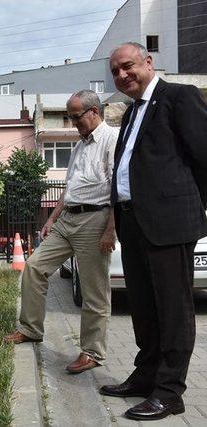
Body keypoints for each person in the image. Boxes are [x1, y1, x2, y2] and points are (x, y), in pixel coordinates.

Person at [99, 42, 207, 421]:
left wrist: (197, 209)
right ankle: (145, 376)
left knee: (173, 309)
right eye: (115, 71)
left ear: (148, 62)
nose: (121, 75)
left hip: (170, 222)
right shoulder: (130, 113)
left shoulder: (179, 97)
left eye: (127, 66)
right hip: (133, 221)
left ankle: (169, 391)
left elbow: (204, 156)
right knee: (143, 307)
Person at [3, 90, 118, 374]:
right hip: (68, 218)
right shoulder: (79, 146)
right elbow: (70, 188)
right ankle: (31, 329)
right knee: (34, 267)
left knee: (94, 292)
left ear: (94, 111)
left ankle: (92, 352)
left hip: (96, 218)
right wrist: (53, 217)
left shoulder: (112, 140)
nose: (73, 122)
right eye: (69, 116)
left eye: (76, 116)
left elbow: (119, 186)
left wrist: (110, 230)